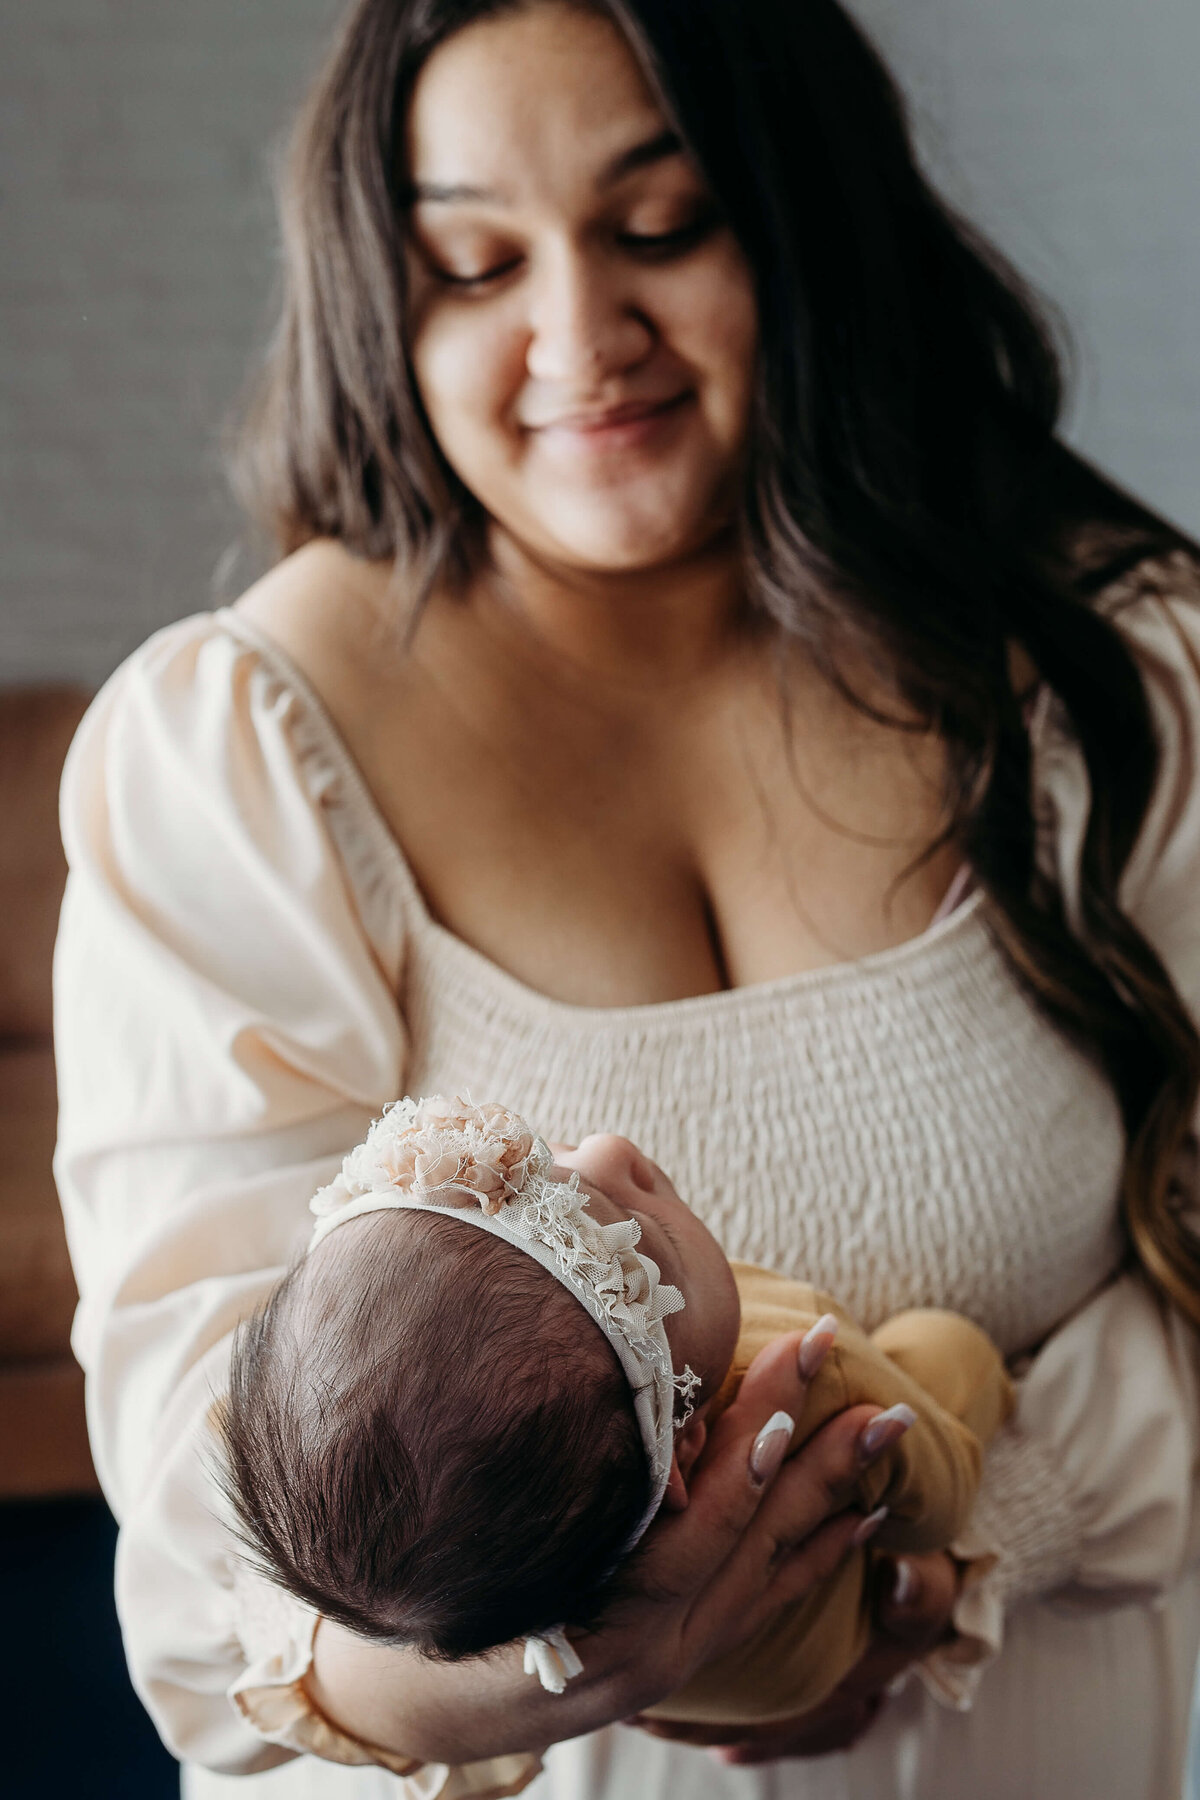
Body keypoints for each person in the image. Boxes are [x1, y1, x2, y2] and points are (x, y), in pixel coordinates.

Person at [51, 1, 1200, 1796]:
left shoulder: (1114, 672)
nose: (578, 337)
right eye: (473, 263)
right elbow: (221, 1577)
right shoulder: (243, 751)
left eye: (661, 226)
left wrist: (956, 1533)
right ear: (387, 300)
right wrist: (606, 1658)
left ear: (806, 220)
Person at [219, 1093, 1014, 1759]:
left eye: (540, 1170)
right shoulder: (812, 1373)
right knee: (946, 1352)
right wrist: (937, 1542)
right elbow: (943, 1500)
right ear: (688, 1442)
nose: (610, 1149)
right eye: (640, 1247)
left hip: (694, 1696)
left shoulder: (525, 1544)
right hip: (813, 1646)